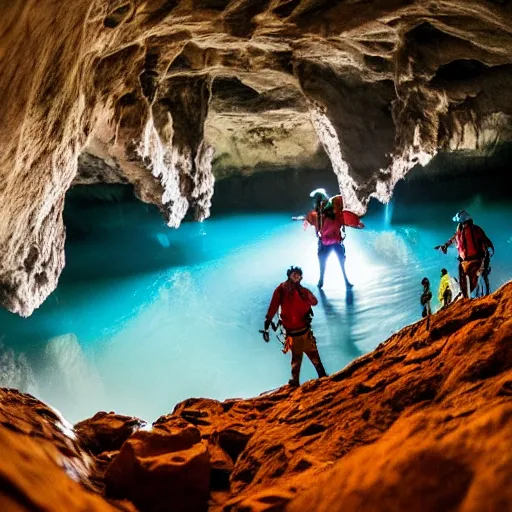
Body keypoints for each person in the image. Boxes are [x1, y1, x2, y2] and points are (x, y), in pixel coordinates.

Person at [263, 266, 327, 387]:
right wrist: (268, 321)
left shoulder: (301, 291)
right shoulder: (282, 289)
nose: (296, 276)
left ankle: (316, 376)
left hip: (302, 330)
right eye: (294, 274)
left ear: (301, 277)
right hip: (295, 331)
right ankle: (298, 380)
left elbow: (314, 302)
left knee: (307, 355)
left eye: (298, 275)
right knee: (300, 356)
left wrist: (268, 322)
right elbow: (274, 306)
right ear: (289, 275)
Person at [304, 188, 364, 289]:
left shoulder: (317, 215)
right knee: (340, 262)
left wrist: (306, 220)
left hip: (326, 242)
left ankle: (322, 281)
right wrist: (357, 224)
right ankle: (343, 281)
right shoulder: (332, 213)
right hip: (335, 241)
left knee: (324, 262)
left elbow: (312, 219)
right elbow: (345, 220)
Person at [435, 210, 494, 298]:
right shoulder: (474, 229)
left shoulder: (460, 232)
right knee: (479, 279)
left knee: (468, 284)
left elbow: (451, 241)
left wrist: (445, 246)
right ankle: (482, 295)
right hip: (475, 262)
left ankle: (469, 297)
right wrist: (490, 251)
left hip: (468, 263)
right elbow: (486, 242)